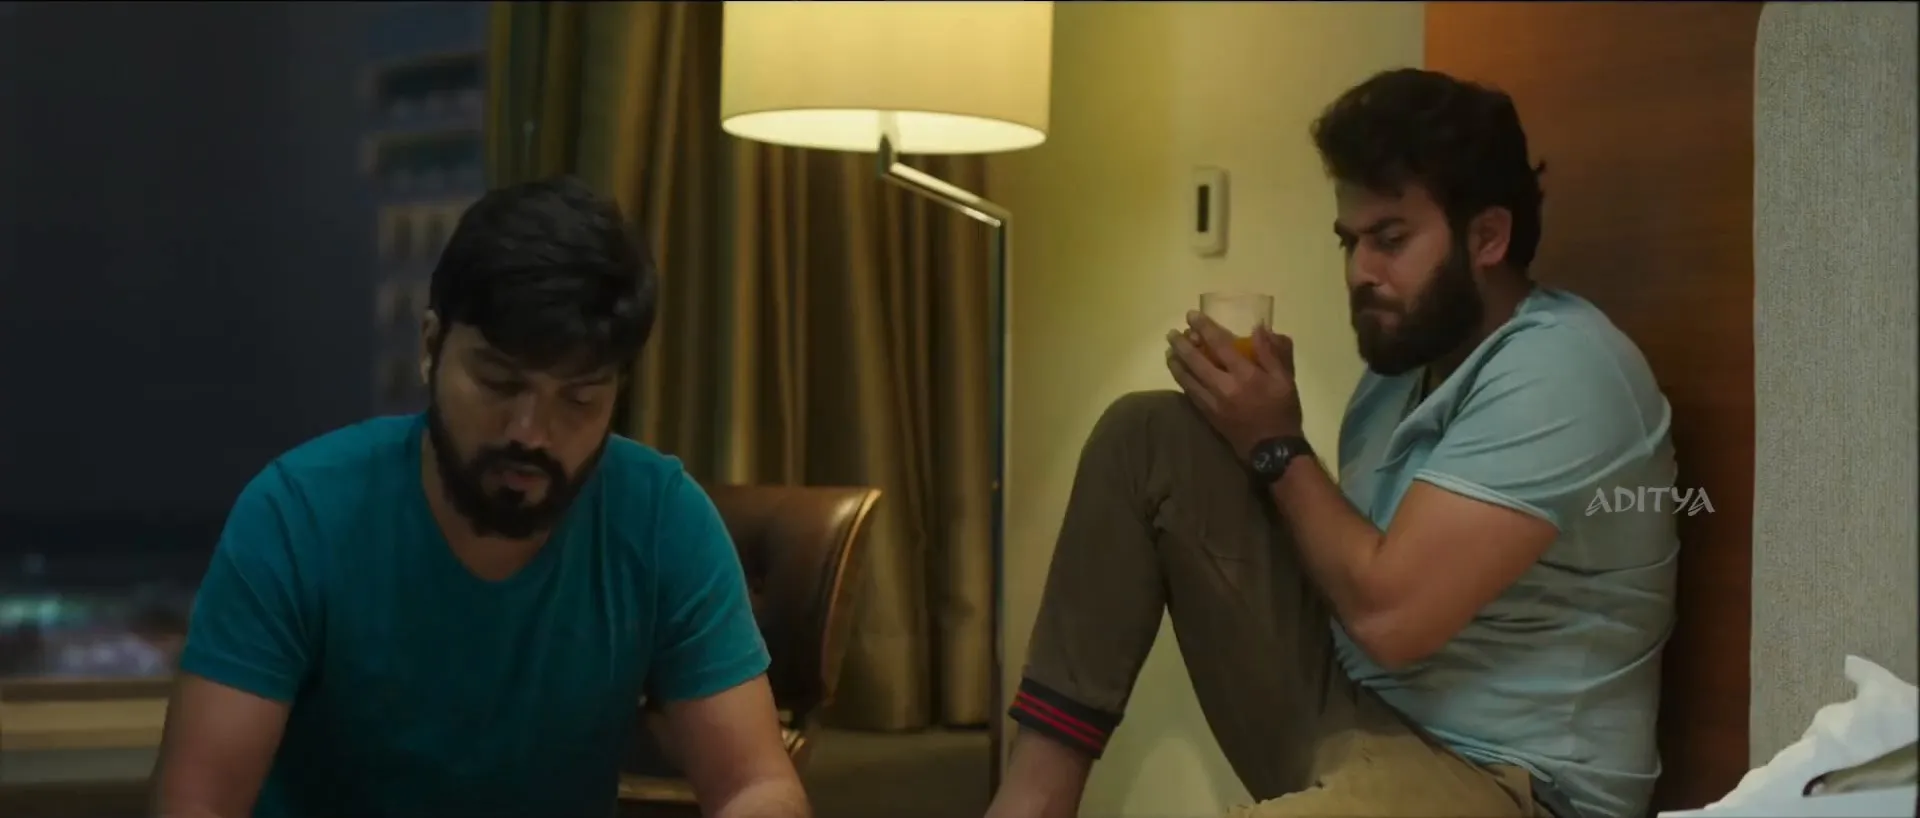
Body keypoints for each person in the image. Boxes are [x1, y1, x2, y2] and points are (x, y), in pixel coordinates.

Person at [983, 69, 1679, 818]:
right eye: (1349, 242)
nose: (1359, 272)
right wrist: (1244, 442)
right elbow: (1348, 590)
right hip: (1356, 716)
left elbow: (1391, 621)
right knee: (1148, 435)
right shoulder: (1396, 377)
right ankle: (1030, 803)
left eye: (1390, 240)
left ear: (1487, 236)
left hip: (1510, 786)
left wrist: (1275, 443)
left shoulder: (1563, 368)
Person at [152, 177, 810, 818]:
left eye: (579, 399)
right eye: (498, 382)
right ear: (431, 348)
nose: (530, 432)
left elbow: (754, 783)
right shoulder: (299, 515)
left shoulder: (662, 520)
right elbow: (197, 801)